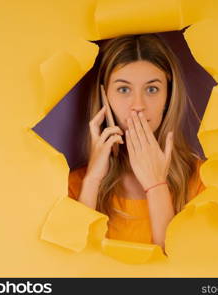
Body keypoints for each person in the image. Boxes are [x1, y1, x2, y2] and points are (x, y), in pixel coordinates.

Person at [68, 33, 206, 251]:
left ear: (168, 97)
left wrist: (156, 186)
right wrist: (93, 180)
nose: (138, 105)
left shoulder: (202, 181)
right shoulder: (76, 185)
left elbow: (183, 271)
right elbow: (66, 264)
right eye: (124, 89)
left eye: (152, 89)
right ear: (105, 97)